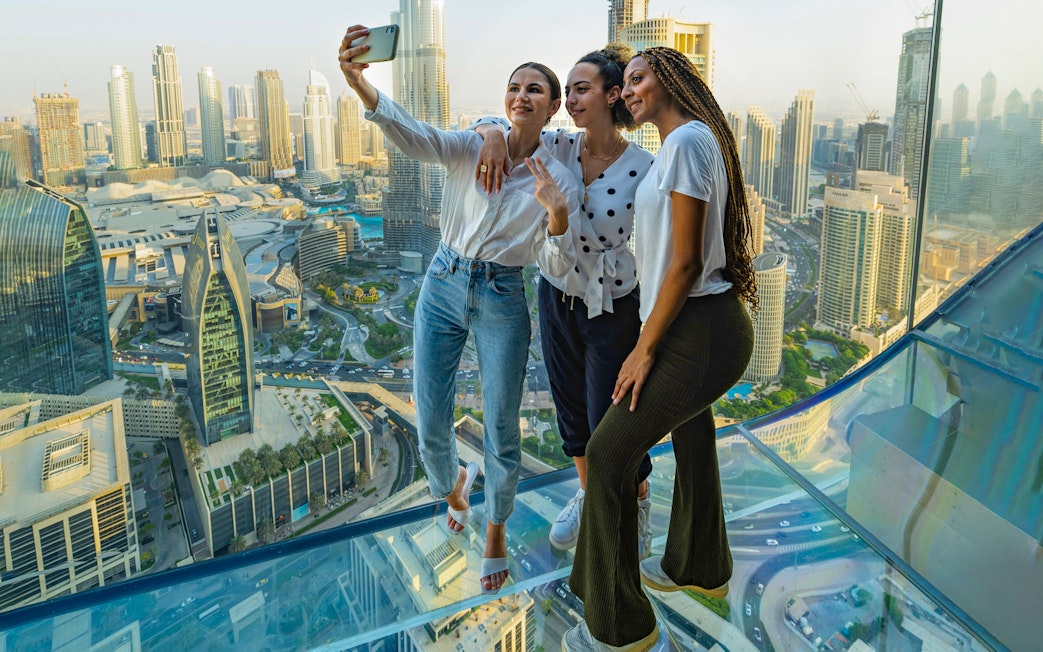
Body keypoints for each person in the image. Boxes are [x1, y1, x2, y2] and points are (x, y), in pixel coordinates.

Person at [338, 25, 582, 594]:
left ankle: (495, 528)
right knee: (430, 412)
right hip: (443, 281)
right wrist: (358, 84)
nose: (521, 95)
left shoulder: (560, 178)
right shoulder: (475, 144)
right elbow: (413, 136)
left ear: (551, 110)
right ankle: (453, 488)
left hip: (503, 295)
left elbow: (556, 263)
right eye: (513, 88)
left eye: (535, 91)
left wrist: (557, 216)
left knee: (501, 423)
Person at [563, 46, 757, 651]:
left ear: (671, 80)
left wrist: (643, 349)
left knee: (609, 452)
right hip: (693, 325)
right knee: (692, 436)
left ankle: (621, 626)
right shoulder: (686, 143)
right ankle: (698, 565)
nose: (629, 90)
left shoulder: (685, 142)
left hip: (699, 329)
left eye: (639, 78)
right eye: (625, 84)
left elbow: (686, 261)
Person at [471, 45, 656, 556]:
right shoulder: (557, 144)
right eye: (568, 90)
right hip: (556, 296)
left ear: (612, 95)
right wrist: (489, 134)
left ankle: (637, 498)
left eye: (581, 89)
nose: (571, 99)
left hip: (612, 305)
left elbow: (664, 242)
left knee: (611, 419)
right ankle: (585, 491)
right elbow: (508, 120)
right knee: (570, 412)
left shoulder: (645, 167)